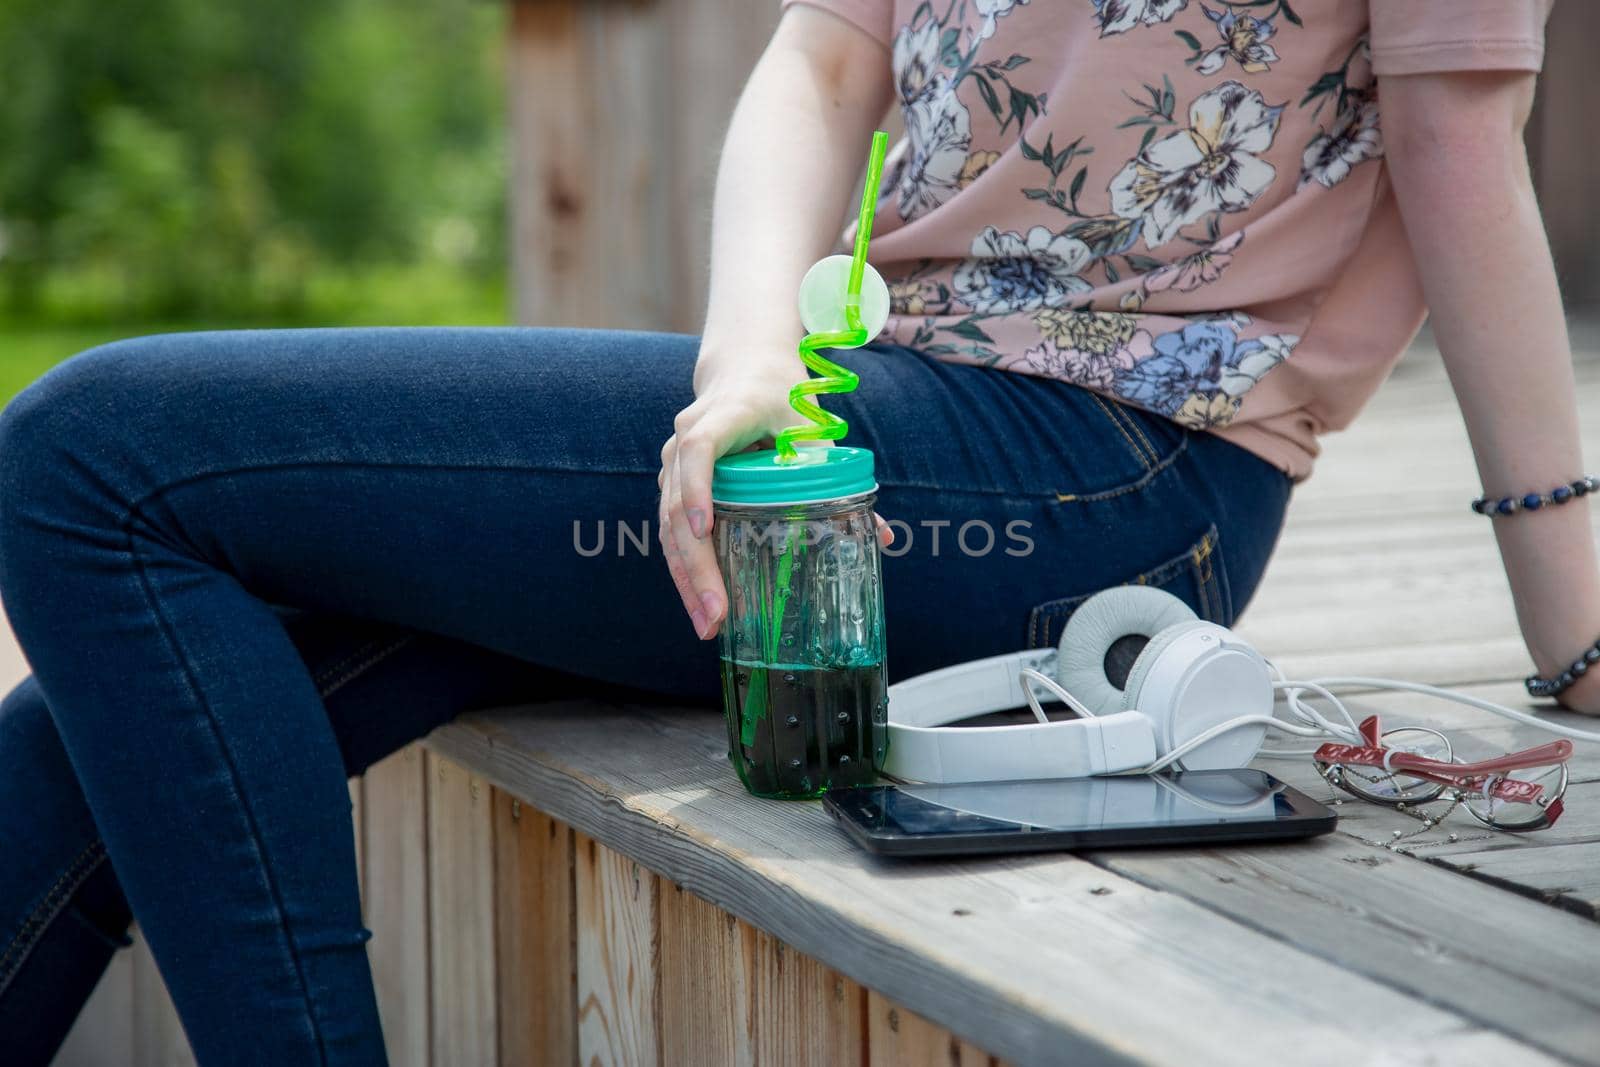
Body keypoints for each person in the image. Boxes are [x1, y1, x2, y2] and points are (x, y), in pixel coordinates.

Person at [0, 1, 1591, 1063]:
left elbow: (1464, 150)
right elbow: (826, 55)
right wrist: (748, 352)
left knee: (93, 454)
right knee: (119, 702)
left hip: (1103, 482)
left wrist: (1577, 634)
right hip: (882, 395)